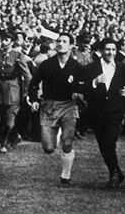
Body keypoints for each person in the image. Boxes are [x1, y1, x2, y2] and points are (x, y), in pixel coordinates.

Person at [28, 32, 85, 185]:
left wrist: (79, 93)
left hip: (68, 106)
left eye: (64, 41)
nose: (60, 43)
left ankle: (66, 174)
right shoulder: (47, 65)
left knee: (67, 142)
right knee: (48, 148)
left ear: (71, 45)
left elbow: (84, 85)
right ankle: (56, 133)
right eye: (58, 41)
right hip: (49, 106)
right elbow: (33, 83)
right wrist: (34, 99)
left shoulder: (77, 66)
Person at [83, 38, 125, 188]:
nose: (110, 53)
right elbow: (83, 88)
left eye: (113, 50)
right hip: (97, 110)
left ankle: (114, 173)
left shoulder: (122, 67)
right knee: (103, 144)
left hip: (115, 110)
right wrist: (95, 82)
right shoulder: (92, 68)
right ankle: (115, 172)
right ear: (102, 50)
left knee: (109, 141)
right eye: (108, 49)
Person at [0, 30, 31, 153]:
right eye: (2, 40)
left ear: (12, 42)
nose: (4, 43)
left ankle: (4, 143)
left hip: (13, 88)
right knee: (3, 115)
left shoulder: (17, 56)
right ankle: (16, 136)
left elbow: (27, 76)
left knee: (10, 116)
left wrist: (27, 92)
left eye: (7, 40)